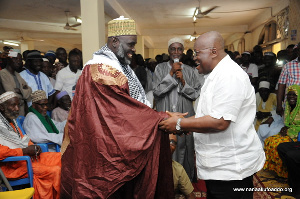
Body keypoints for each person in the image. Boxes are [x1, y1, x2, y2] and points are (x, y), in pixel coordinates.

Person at [60, 16, 174, 199]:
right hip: (103, 148)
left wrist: (155, 117)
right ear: (114, 42)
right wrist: (158, 119)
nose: (133, 49)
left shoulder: (116, 65)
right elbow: (119, 112)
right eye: (130, 44)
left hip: (112, 143)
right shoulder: (101, 70)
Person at [159, 31, 265, 199]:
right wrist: (184, 120)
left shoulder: (229, 76)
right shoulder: (215, 75)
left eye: (197, 52)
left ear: (214, 52)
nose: (194, 57)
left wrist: (179, 124)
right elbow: (210, 115)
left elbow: (220, 121)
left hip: (230, 170)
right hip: (219, 167)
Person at [153, 37, 202, 180]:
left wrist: (182, 81)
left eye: (179, 49)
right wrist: (170, 74)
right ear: (168, 51)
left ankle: (184, 179)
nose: (176, 52)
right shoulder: (160, 68)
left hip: (185, 116)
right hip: (165, 115)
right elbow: (156, 92)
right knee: (166, 146)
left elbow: (195, 94)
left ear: (183, 51)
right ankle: (165, 180)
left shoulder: (191, 71)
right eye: (173, 49)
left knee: (183, 146)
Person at [0, 91, 61, 199]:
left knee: (61, 157)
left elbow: (23, 139)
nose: (17, 109)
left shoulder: (11, 121)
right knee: (54, 171)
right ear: (2, 107)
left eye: (18, 105)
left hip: (26, 159)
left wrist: (33, 146)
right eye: (13, 105)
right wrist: (24, 151)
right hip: (13, 167)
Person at [263, 85, 300, 178]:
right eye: (289, 95)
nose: (291, 97)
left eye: (294, 95)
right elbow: (288, 123)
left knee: (277, 144)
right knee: (269, 140)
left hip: (297, 136)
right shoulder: (288, 107)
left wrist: (289, 130)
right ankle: (277, 170)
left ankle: (285, 173)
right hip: (290, 133)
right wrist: (286, 127)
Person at [0, 51, 32, 116]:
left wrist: (19, 91)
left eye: (20, 60)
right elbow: (11, 93)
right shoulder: (3, 74)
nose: (18, 62)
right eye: (16, 59)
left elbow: (30, 90)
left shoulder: (17, 74)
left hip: (21, 110)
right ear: (9, 60)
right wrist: (24, 92)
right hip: (10, 111)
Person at [276, 43, 300, 116]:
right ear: (298, 51)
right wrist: (279, 104)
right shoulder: (288, 66)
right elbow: (281, 86)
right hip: (290, 104)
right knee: (289, 126)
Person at [169, 134, 196, 199]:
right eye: (165, 142)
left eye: (172, 143)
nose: (169, 145)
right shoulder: (145, 163)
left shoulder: (178, 168)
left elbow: (190, 196)